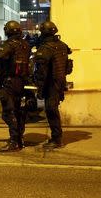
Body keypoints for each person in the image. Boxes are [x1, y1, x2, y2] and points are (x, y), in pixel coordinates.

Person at [0, 20, 31, 152]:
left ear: (7, 31)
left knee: (8, 113)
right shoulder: (25, 44)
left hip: (9, 82)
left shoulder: (8, 44)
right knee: (18, 112)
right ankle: (19, 138)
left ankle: (15, 141)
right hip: (21, 81)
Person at [34, 21, 72, 149]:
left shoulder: (46, 48)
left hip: (51, 83)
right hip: (60, 82)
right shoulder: (62, 45)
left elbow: (42, 71)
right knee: (53, 109)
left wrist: (39, 87)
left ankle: (57, 139)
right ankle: (56, 137)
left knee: (51, 111)